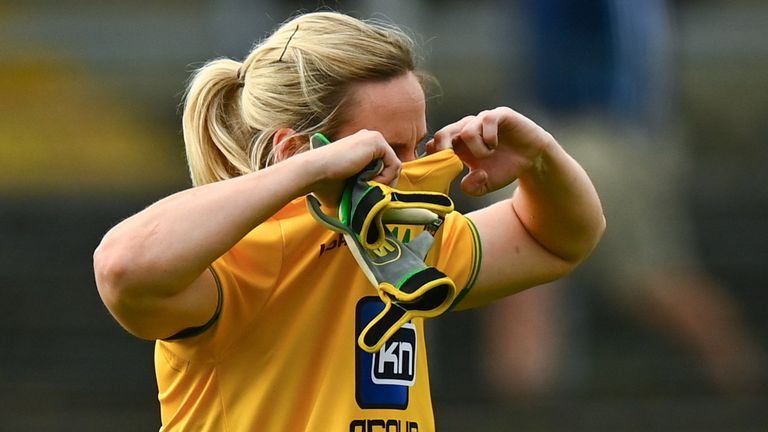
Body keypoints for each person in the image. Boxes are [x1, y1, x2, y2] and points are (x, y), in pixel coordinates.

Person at [93, 11, 605, 430]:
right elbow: (121, 267)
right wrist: (308, 172)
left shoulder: (407, 241)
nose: (407, 169)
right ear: (295, 150)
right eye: (383, 149)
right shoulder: (243, 256)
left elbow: (556, 242)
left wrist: (541, 158)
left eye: (415, 144)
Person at [480, 0, 766, 399]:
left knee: (640, 281)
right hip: (601, 132)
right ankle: (740, 374)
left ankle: (742, 378)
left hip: (602, 133)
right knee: (529, 270)